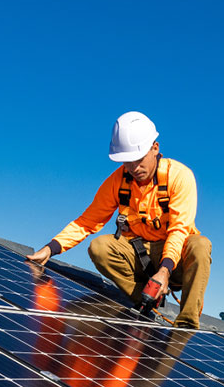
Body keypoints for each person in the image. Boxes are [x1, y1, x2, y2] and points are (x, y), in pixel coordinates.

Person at [26, 112, 212, 328]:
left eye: (139, 160)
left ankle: (186, 325)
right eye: (127, 162)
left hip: (175, 260)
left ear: (155, 148)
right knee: (99, 247)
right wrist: (50, 248)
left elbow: (180, 230)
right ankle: (146, 300)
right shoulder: (118, 181)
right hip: (138, 254)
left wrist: (164, 270)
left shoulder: (179, 177)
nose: (134, 168)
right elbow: (87, 221)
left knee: (200, 245)